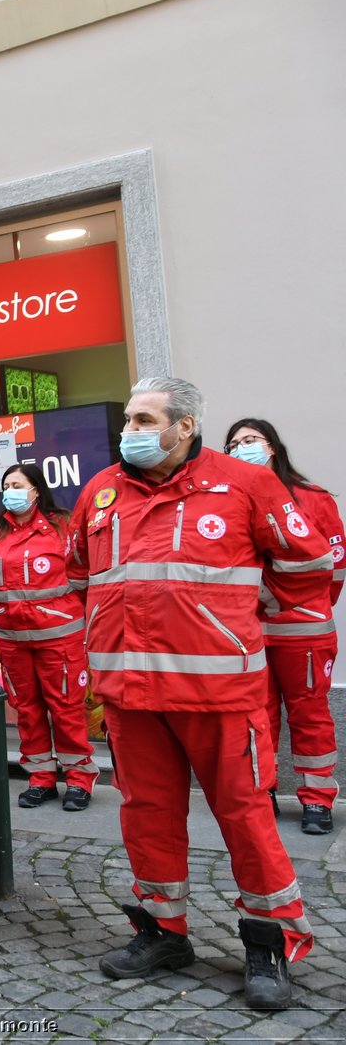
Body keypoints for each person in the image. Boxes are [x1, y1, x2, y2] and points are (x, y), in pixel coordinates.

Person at [73, 378, 333, 1009]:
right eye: (130, 417)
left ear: (184, 425)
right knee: (146, 816)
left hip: (221, 695)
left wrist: (247, 620)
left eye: (143, 418)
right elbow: (81, 570)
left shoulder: (247, 484)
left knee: (246, 818)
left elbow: (307, 565)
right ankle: (163, 931)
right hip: (132, 696)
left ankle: (269, 943)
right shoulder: (102, 489)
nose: (129, 428)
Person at [225, 418, 345, 835]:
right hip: (249, 633)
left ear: (272, 446)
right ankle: (264, 792)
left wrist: (303, 608)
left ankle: (317, 799)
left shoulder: (311, 499)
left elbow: (333, 569)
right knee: (256, 717)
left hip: (304, 631)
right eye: (234, 443)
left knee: (310, 714)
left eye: (251, 440)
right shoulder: (229, 501)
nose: (242, 448)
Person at [0, 463, 97, 811]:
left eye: (17, 484)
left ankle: (78, 779)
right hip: (12, 639)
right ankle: (41, 778)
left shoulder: (63, 527)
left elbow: (82, 577)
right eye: (6, 485)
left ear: (36, 489)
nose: (10, 490)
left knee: (66, 709)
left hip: (59, 638)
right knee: (27, 711)